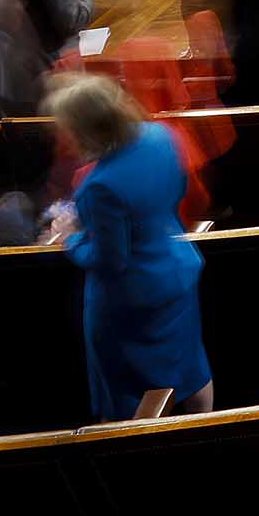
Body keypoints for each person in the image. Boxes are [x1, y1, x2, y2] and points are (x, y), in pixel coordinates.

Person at [44, 73, 214, 421]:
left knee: (125, 389)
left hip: (131, 300)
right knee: (190, 365)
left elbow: (110, 261)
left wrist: (71, 238)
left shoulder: (99, 187)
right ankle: (205, 428)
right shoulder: (159, 136)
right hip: (176, 270)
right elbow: (175, 191)